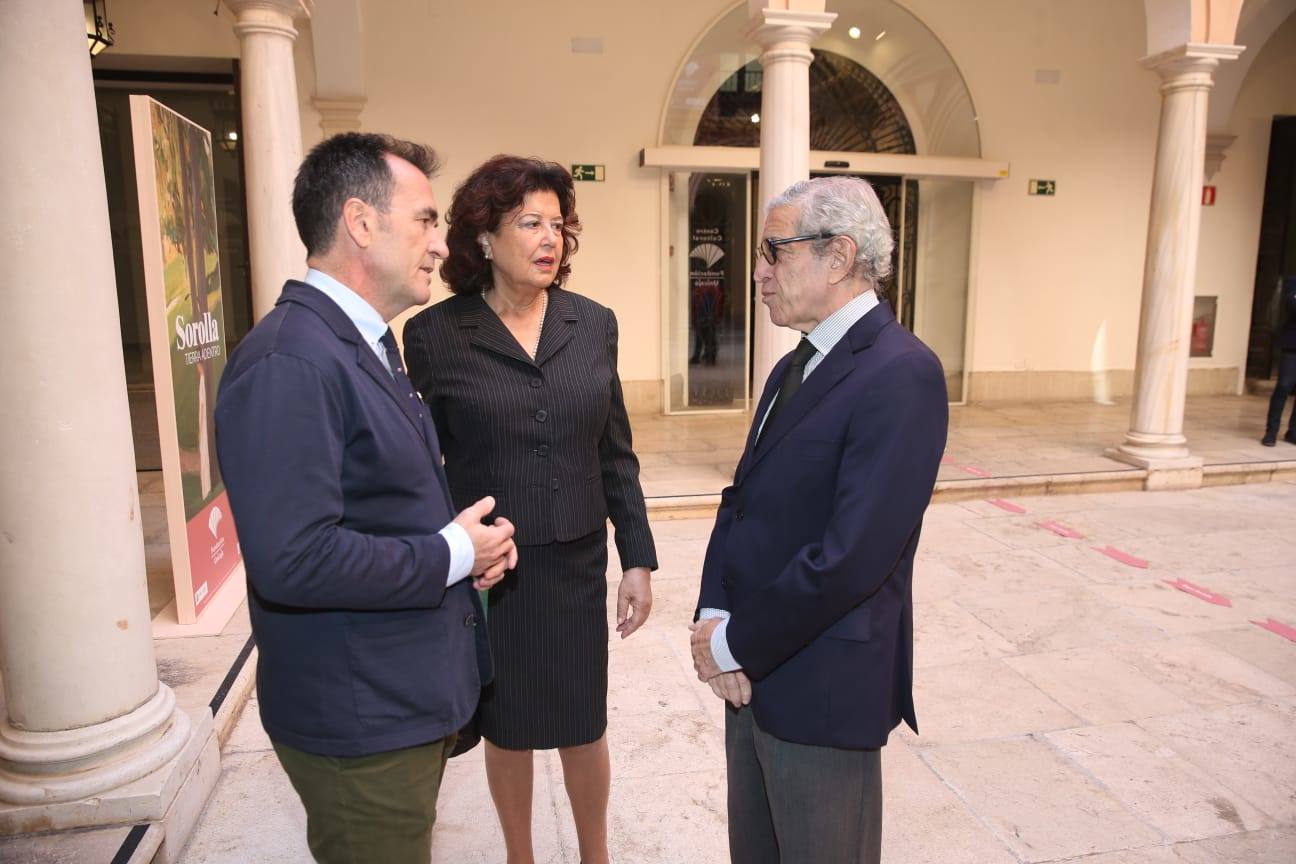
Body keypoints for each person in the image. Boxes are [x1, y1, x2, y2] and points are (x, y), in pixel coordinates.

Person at [214, 133, 519, 864]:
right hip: (360, 721)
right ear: (359, 221)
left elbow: (368, 505)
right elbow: (296, 558)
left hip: (396, 701)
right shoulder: (292, 361)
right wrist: (449, 552)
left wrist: (456, 550)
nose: (441, 245)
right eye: (424, 220)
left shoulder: (360, 344)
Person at [403, 155, 657, 864]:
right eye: (530, 223)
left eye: (559, 225)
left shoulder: (593, 324)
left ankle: (595, 856)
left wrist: (635, 557)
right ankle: (521, 856)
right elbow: (421, 466)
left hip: (575, 560)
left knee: (583, 722)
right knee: (508, 726)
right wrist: (441, 554)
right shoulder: (434, 337)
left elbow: (616, 453)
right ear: (485, 237)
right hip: (493, 571)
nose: (551, 239)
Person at [689, 176, 949, 864]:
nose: (758, 274)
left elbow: (853, 557)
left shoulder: (901, 373)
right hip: (751, 676)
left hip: (822, 691)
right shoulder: (792, 368)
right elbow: (740, 501)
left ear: (837, 256)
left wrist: (731, 641)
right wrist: (714, 612)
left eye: (774, 252)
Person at [1261, 274, 1296, 446]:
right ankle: (1271, 432)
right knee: (1283, 386)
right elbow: (1293, 305)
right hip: (1292, 346)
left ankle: (1293, 432)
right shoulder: (1293, 281)